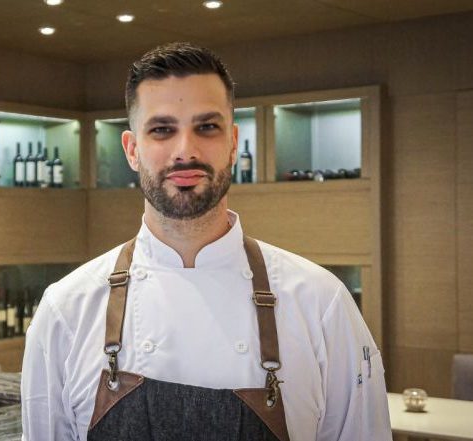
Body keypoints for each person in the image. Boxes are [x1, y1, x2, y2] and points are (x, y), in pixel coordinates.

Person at [21, 42, 391, 441]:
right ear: (132, 150)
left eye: (207, 127)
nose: (186, 151)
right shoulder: (65, 312)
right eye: (162, 129)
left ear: (233, 143)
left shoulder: (322, 306)